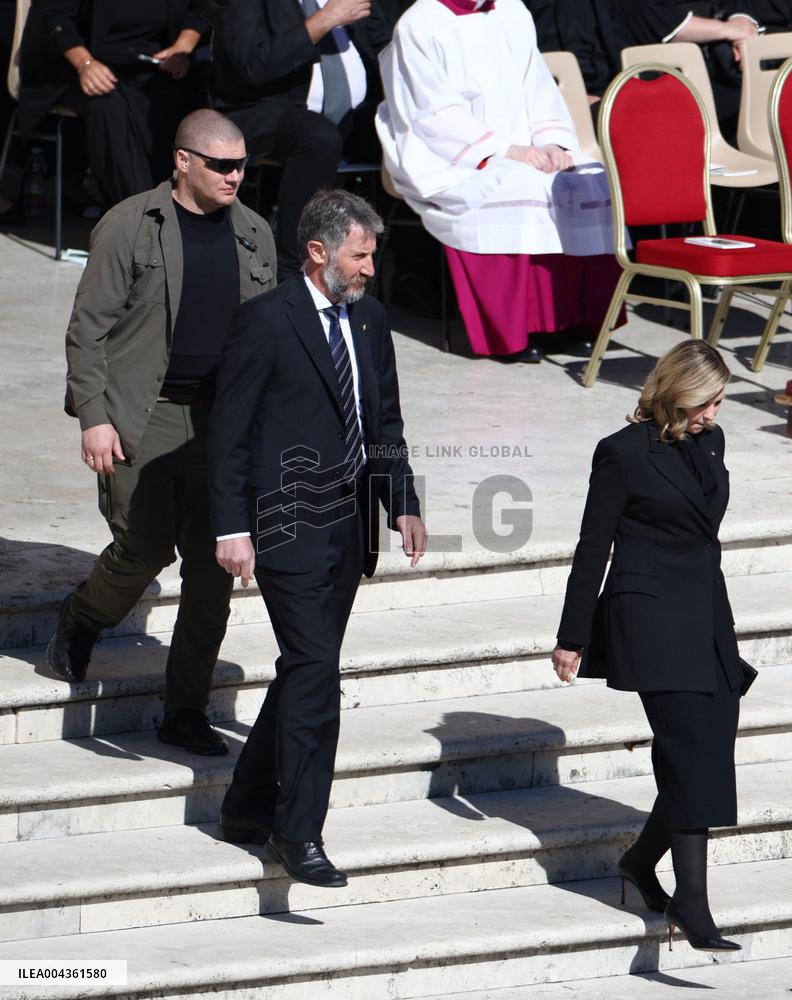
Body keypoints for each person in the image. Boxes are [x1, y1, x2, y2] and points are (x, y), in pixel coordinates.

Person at [209, 189, 427, 887]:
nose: (370, 268)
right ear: (317, 251)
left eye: (372, 255)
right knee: (317, 674)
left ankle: (245, 803)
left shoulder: (370, 318)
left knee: (307, 667)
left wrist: (402, 502)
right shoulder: (265, 322)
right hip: (286, 524)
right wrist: (232, 527)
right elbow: (229, 434)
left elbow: (384, 421)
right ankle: (298, 831)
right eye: (360, 256)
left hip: (349, 525)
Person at [46, 109, 277, 757]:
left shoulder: (254, 233)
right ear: (183, 161)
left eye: (242, 165)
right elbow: (87, 328)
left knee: (212, 570)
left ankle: (185, 709)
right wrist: (93, 416)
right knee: (143, 548)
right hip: (142, 412)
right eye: (222, 165)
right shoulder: (129, 225)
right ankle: (84, 616)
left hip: (222, 424)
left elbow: (270, 336)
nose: (235, 176)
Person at [552, 340, 745, 953]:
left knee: (706, 751)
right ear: (674, 391)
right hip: (651, 618)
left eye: (718, 402)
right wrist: (572, 636)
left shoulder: (710, 441)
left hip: (706, 615)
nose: (712, 413)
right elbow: (592, 546)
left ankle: (639, 861)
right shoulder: (622, 452)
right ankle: (693, 900)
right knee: (690, 748)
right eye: (703, 402)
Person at [376, 0, 623, 363]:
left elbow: (538, 87)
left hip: (524, 148)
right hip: (453, 155)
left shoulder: (512, 10)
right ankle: (516, 332)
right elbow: (431, 113)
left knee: (589, 179)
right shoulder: (419, 24)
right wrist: (503, 150)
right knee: (521, 186)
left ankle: (573, 322)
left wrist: (552, 144)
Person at [209, 0, 391, 281]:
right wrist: (325, 19)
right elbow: (253, 64)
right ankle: (293, 271)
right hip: (268, 112)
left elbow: (384, 47)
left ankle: (410, 273)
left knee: (411, 131)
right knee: (319, 138)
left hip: (352, 116)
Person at [18, 0, 210, 208]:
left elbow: (202, 9)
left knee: (173, 106)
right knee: (107, 109)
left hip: (151, 65)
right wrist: (84, 64)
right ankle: (133, 213)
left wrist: (182, 48)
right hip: (78, 65)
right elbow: (55, 15)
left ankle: (174, 210)